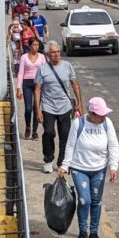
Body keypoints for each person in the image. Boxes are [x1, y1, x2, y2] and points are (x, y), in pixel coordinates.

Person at [58, 96, 119, 238]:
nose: (104, 117)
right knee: (85, 200)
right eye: (101, 114)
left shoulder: (107, 124)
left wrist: (113, 166)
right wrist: (65, 165)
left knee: (96, 201)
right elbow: (70, 145)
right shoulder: (78, 124)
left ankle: (93, 232)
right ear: (91, 114)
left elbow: (113, 145)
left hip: (99, 169)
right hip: (79, 169)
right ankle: (82, 232)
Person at [34, 41, 84, 173]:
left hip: (65, 107)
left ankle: (62, 162)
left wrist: (79, 103)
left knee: (65, 136)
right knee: (49, 133)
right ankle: (48, 160)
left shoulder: (67, 66)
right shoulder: (43, 69)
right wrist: (38, 110)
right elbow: (37, 89)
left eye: (57, 52)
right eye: (53, 52)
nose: (56, 55)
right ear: (48, 54)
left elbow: (75, 84)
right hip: (48, 107)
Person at [17, 37, 46, 140]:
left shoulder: (42, 57)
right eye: (34, 45)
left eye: (37, 45)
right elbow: (20, 73)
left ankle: (34, 131)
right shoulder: (24, 57)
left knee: (36, 108)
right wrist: (19, 88)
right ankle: (28, 126)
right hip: (27, 83)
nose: (36, 47)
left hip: (39, 84)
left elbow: (45, 72)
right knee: (28, 108)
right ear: (29, 46)